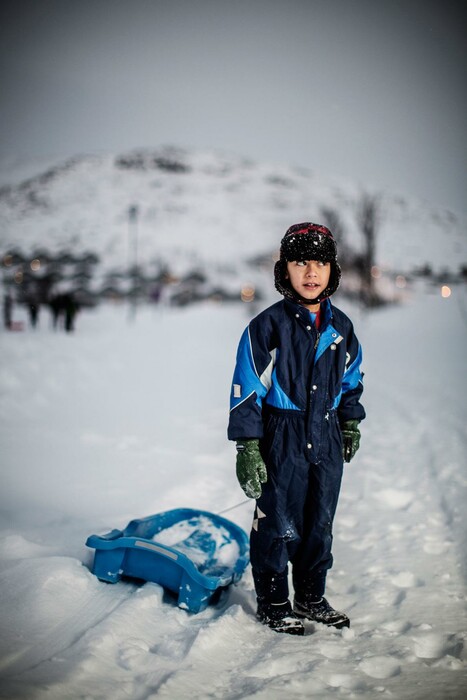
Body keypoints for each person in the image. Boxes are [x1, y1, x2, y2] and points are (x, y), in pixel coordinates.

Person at [228, 222, 365, 635]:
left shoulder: (341, 328)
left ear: (332, 270)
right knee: (277, 522)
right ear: (284, 270)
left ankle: (310, 596)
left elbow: (351, 378)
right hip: (281, 436)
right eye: (300, 262)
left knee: (318, 521)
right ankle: (273, 602)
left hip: (325, 434)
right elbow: (246, 389)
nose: (310, 272)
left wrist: (351, 420)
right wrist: (248, 445)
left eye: (320, 262)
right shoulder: (267, 327)